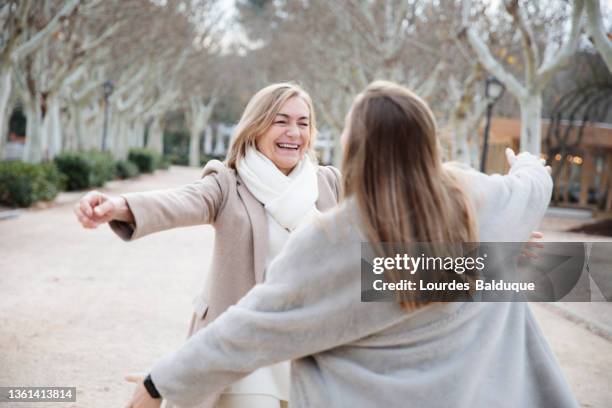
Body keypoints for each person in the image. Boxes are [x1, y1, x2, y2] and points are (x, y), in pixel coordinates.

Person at [124, 81, 578, 408]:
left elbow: (247, 329)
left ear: (353, 146)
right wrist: (522, 182)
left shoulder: (331, 240)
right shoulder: (483, 200)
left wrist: (156, 383)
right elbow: (533, 191)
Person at [74, 83, 342, 408]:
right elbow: (180, 201)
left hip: (311, 352)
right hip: (242, 351)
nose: (294, 132)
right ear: (256, 126)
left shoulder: (329, 184)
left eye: (303, 123)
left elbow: (383, 227)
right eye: (281, 121)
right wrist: (118, 206)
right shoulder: (227, 184)